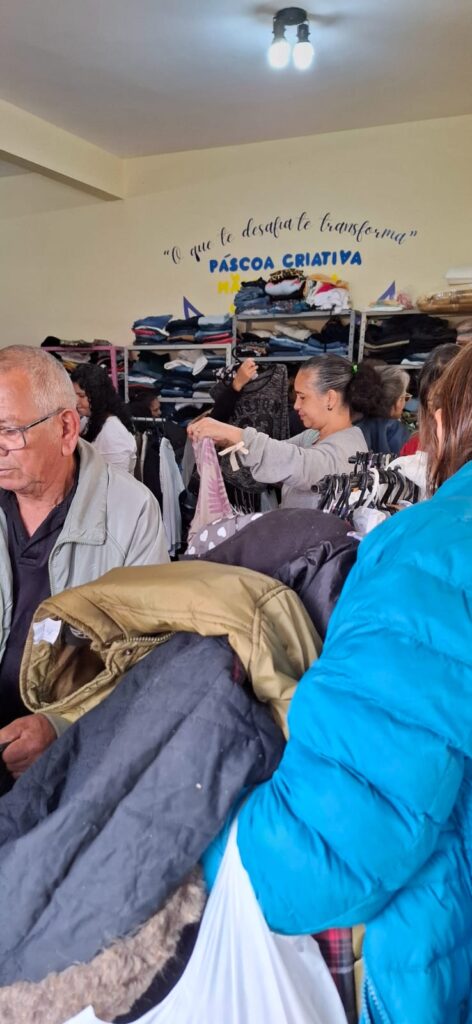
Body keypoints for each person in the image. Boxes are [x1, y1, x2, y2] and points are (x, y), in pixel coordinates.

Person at [205, 343, 472, 1023]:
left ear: (444, 422)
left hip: (437, 953)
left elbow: (331, 841)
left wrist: (196, 851)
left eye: (304, 395)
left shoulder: (432, 549)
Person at [0, 346, 169, 778]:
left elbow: (147, 655)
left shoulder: (131, 512)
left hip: (72, 755)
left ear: (66, 428)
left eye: (9, 431)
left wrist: (62, 725)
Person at [188, 356, 387, 509]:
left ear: (330, 399)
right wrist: (227, 440)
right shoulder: (314, 436)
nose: (296, 405)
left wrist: (235, 434)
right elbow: (278, 454)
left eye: (303, 397)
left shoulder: (348, 451)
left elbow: (299, 463)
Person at [71, 363, 137, 473]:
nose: (76, 401)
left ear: (98, 395)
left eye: (82, 396)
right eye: (74, 395)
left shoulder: (113, 433)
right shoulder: (89, 419)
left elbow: (116, 479)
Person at [399, 343, 459, 456]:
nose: (442, 412)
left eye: (453, 401)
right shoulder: (413, 447)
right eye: (437, 403)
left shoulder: (414, 447)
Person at [355, 366, 411, 454]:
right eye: (405, 397)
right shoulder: (396, 430)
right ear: (398, 402)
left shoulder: (356, 424)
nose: (405, 402)